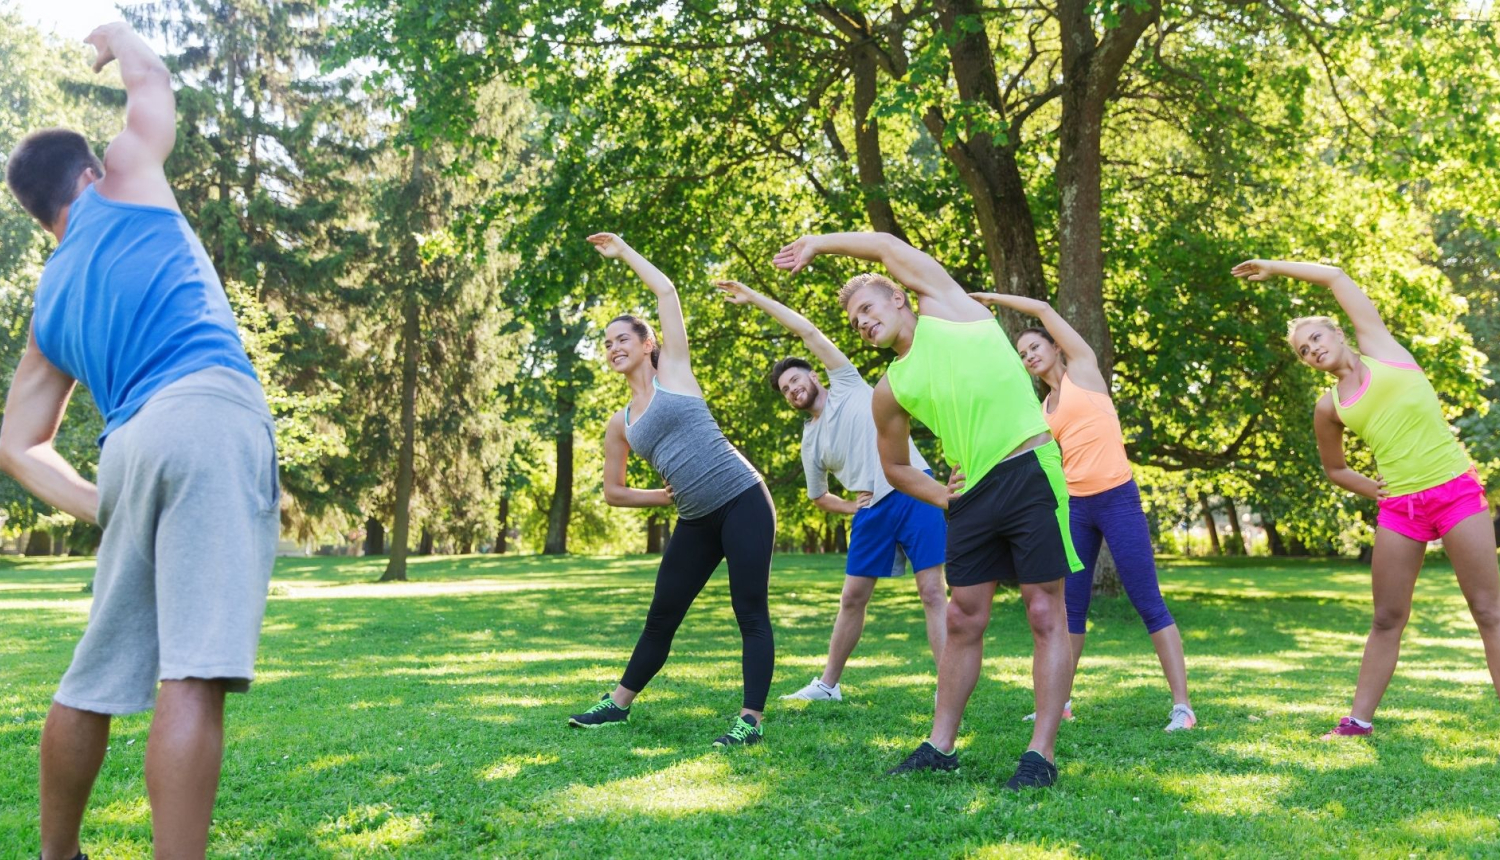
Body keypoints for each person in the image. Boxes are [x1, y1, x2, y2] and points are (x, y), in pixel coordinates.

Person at [1, 22, 280, 860]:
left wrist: (102, 503)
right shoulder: (123, 179)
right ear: (88, 174)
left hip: (129, 446)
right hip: (207, 411)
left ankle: (57, 855)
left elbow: (16, 444)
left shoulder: (50, 304)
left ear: (39, 215)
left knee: (95, 674)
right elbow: (152, 81)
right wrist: (120, 35)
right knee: (192, 672)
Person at [774, 232, 1080, 790]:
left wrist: (817, 244)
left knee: (1043, 611)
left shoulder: (948, 308)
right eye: (854, 323)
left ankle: (1041, 754)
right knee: (962, 618)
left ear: (899, 297)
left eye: (868, 309)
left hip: (1030, 470)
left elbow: (885, 245)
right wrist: (943, 496)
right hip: (972, 496)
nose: (863, 323)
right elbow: (894, 467)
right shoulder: (889, 389)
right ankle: (940, 746)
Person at [1233, 258, 1500, 738]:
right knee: (1386, 617)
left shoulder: (1382, 348)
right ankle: (1357, 723)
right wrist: (1373, 488)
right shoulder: (1329, 406)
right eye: (1303, 350)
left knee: (1488, 610)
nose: (1312, 349)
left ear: (1338, 333)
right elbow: (1334, 469)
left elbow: (1335, 276)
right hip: (1401, 511)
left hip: (1454, 490)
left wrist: (1273, 267)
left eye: (1316, 337)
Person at [566, 233, 776, 748]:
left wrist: (624, 252)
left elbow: (666, 292)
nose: (614, 348)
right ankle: (617, 705)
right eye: (606, 344)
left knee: (750, 611)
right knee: (662, 615)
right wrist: (661, 497)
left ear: (647, 344)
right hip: (696, 520)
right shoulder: (620, 423)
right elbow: (613, 492)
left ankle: (749, 721)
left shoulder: (675, 373)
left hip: (742, 499)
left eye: (622, 339)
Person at [968, 292, 1195, 731]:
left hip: (1117, 498)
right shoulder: (1041, 410)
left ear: (1055, 346)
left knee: (1148, 601)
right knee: (1069, 609)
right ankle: (1060, 703)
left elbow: (1043, 309)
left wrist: (991, 300)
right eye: (1022, 354)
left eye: (1035, 346)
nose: (1029, 356)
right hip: (1075, 509)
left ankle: (1182, 707)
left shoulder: (1085, 372)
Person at [714, 279, 948, 702]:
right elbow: (818, 496)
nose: (792, 390)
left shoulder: (846, 383)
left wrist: (755, 298)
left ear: (813, 375)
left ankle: (949, 684)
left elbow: (807, 331)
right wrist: (850, 508)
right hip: (872, 511)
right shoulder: (810, 443)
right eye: (786, 391)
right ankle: (828, 685)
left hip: (915, 487)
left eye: (795, 380)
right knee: (852, 598)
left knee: (932, 591)